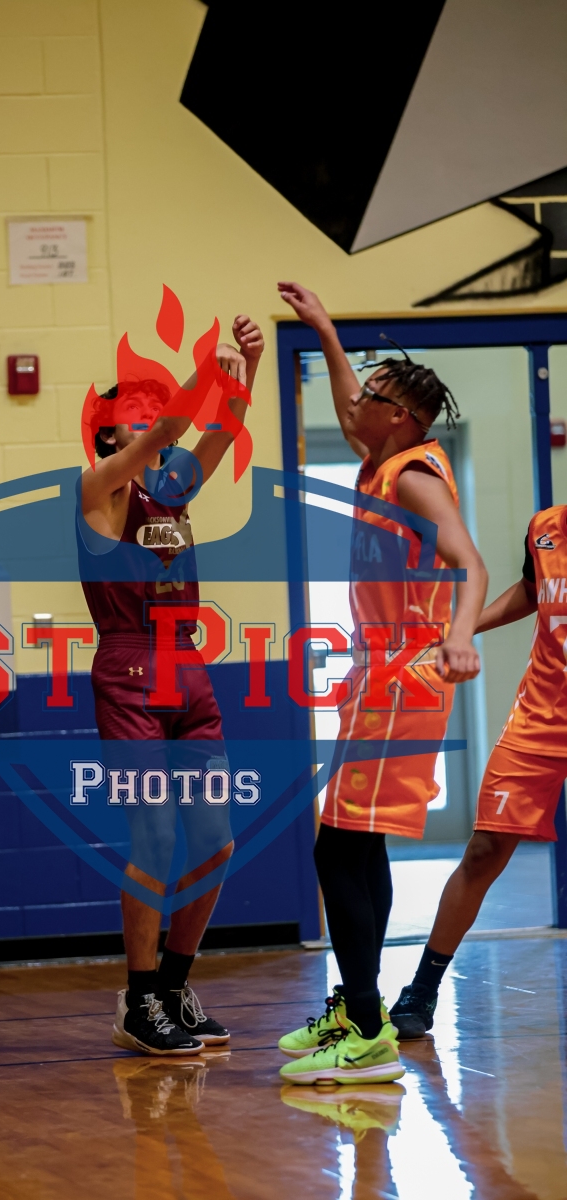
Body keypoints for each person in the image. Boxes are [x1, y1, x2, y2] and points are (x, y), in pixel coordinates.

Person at [274, 282, 487, 1085]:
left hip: (405, 675)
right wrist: (327, 332)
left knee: (336, 847)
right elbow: (345, 399)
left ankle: (365, 1028)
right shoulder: (380, 461)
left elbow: (471, 563)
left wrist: (459, 635)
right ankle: (358, 1008)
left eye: (370, 396)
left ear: (398, 416)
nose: (353, 402)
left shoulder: (414, 477)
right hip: (379, 674)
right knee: (358, 845)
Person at [80, 314, 264, 1055]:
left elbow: (217, 435)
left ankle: (173, 988)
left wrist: (246, 372)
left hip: (187, 669)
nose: (154, 422)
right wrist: (206, 373)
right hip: (129, 671)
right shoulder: (97, 489)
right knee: (154, 837)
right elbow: (172, 429)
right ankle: (137, 999)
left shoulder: (171, 495)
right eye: (138, 415)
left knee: (216, 843)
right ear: (108, 436)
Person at [390, 503, 567, 1037]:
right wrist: (461, 630)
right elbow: (534, 591)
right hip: (541, 716)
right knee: (485, 849)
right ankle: (422, 988)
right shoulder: (545, 528)